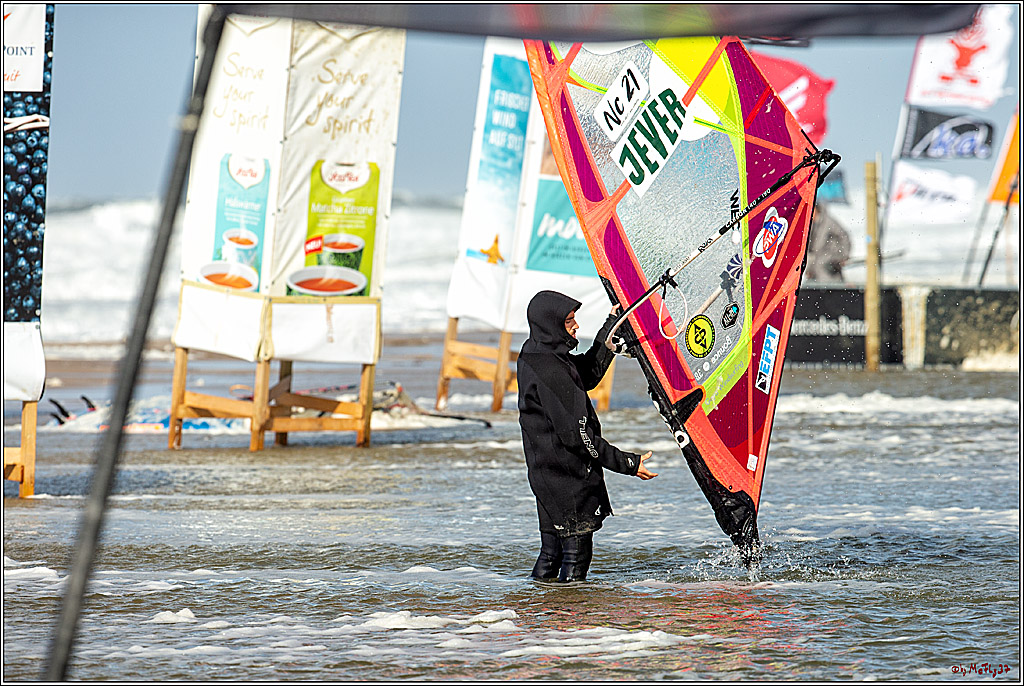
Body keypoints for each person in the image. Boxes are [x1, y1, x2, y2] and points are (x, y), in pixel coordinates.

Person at [517, 290, 657, 583]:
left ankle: (539, 606)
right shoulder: (552, 370)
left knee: (551, 553)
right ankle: (574, 611)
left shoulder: (535, 353)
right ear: (551, 324)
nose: (576, 326)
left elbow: (587, 374)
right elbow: (579, 437)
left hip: (546, 473)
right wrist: (628, 463)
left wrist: (611, 326)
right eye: (569, 321)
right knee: (575, 558)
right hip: (567, 477)